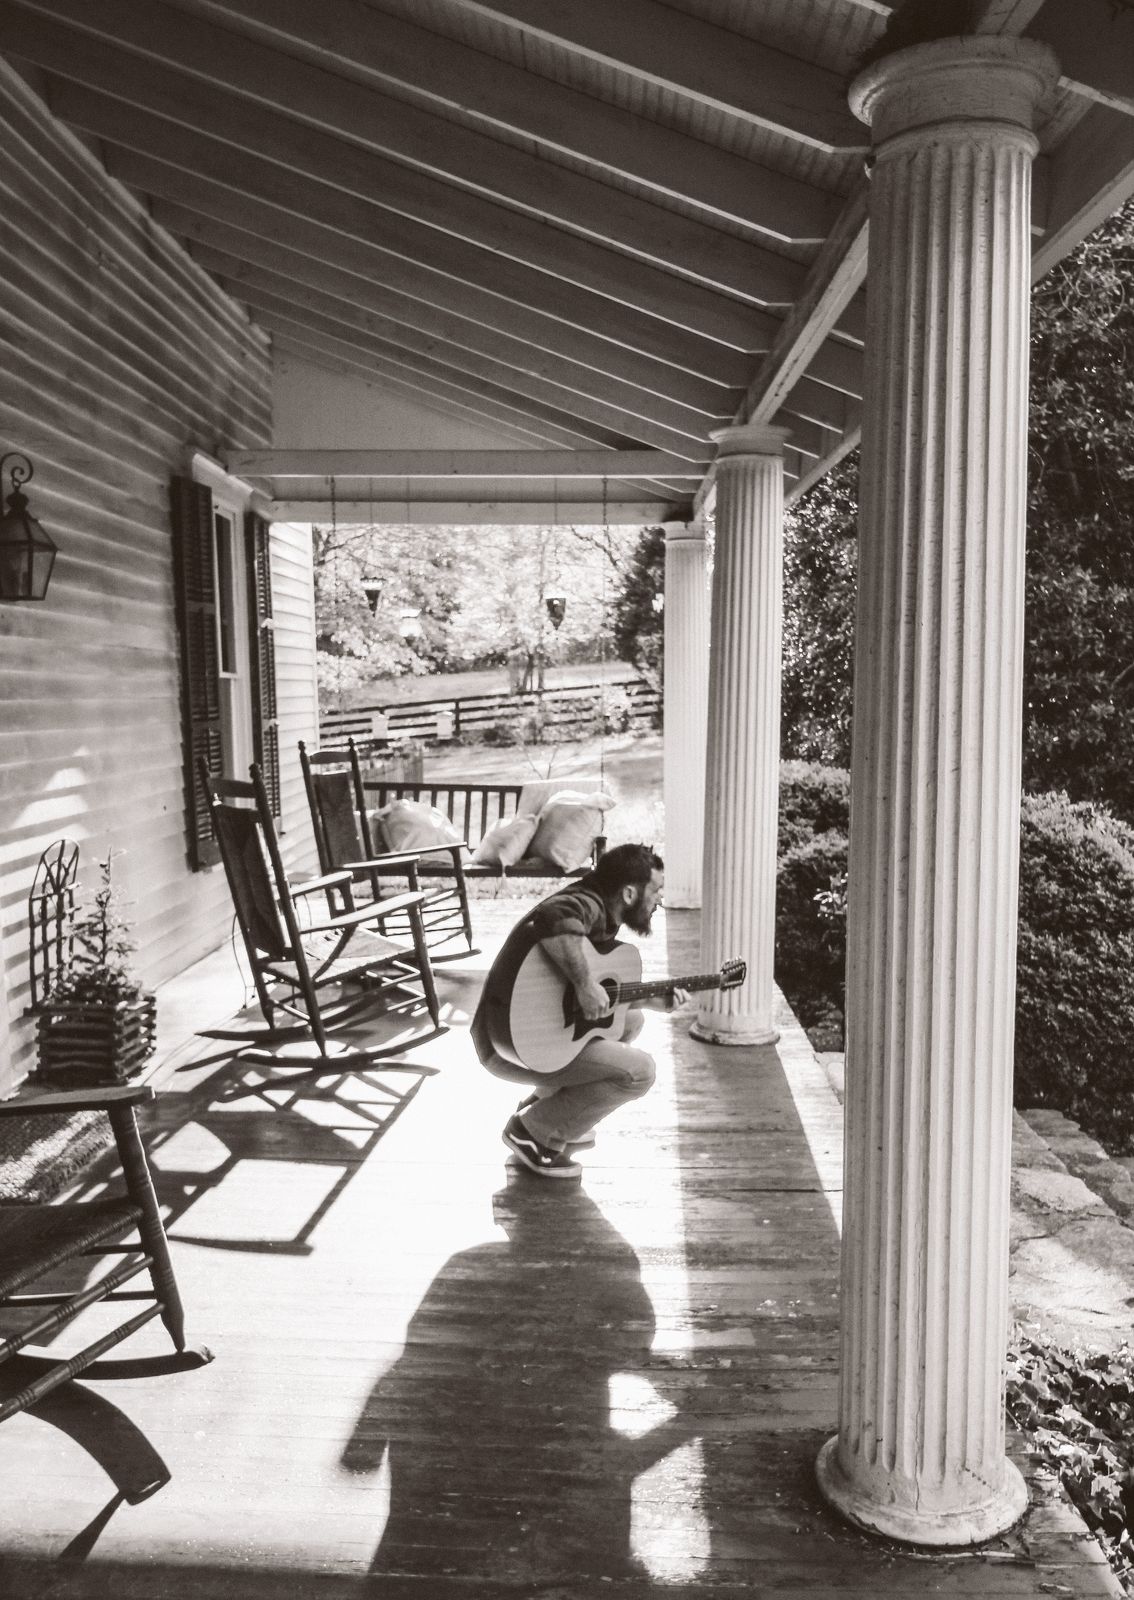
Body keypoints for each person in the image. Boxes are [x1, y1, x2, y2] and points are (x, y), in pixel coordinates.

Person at [471, 842, 685, 1179]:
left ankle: (546, 1106)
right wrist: (585, 984)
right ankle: (535, 1133)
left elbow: (592, 994)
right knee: (639, 1072)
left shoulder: (600, 908)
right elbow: (553, 916)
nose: (660, 899)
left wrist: (650, 1000)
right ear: (629, 893)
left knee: (631, 1020)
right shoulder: (587, 904)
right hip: (508, 1047)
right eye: (656, 890)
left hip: (508, 1036)